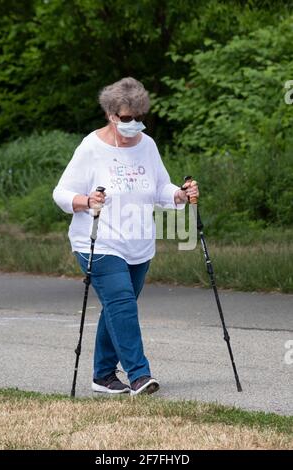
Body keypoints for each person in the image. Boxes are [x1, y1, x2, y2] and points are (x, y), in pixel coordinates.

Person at [53, 77, 199, 396]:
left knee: (118, 307)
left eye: (139, 117)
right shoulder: (91, 147)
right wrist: (86, 200)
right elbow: (61, 193)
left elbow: (160, 186)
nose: (134, 124)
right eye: (126, 118)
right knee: (122, 304)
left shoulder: (147, 146)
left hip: (139, 243)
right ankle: (139, 375)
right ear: (111, 114)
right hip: (99, 241)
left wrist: (179, 195)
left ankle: (103, 375)